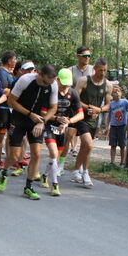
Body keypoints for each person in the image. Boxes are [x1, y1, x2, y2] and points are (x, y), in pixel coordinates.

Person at [0, 64, 58, 199]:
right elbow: (11, 101)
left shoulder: (53, 84)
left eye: (50, 83)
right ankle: (4, 173)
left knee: (36, 154)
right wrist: (29, 114)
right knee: (14, 156)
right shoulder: (25, 80)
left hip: (37, 120)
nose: (47, 85)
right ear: (39, 74)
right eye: (45, 82)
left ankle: (28, 187)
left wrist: (42, 121)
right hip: (19, 118)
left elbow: (53, 108)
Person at [40, 68, 84, 196]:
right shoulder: (49, 91)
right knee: (53, 153)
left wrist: (68, 122)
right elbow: (43, 112)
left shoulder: (73, 93)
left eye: (67, 84)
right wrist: (56, 118)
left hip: (62, 128)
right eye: (63, 83)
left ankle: (45, 175)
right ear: (57, 80)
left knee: (55, 157)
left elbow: (80, 114)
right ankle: (55, 185)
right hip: (49, 126)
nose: (65, 87)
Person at [73, 58, 112, 187]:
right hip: (80, 117)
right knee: (89, 145)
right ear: (94, 69)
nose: (103, 73)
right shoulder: (83, 81)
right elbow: (75, 99)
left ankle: (75, 170)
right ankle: (85, 172)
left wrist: (99, 110)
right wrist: (88, 108)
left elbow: (108, 105)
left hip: (94, 120)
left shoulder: (108, 85)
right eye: (100, 70)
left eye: (105, 70)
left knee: (85, 147)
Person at [0, 51, 17, 169]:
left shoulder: (10, 73)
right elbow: (3, 90)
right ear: (9, 61)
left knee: (11, 135)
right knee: (1, 135)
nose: (16, 61)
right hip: (2, 108)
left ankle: (9, 159)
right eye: (14, 59)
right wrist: (17, 92)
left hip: (11, 108)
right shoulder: (2, 73)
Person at [108, 86, 128, 165]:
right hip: (113, 126)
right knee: (113, 144)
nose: (117, 93)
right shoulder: (111, 104)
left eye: (118, 91)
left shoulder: (125, 102)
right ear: (112, 94)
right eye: (114, 92)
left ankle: (122, 162)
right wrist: (107, 126)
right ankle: (112, 162)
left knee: (122, 145)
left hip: (122, 126)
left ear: (121, 93)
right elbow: (109, 115)